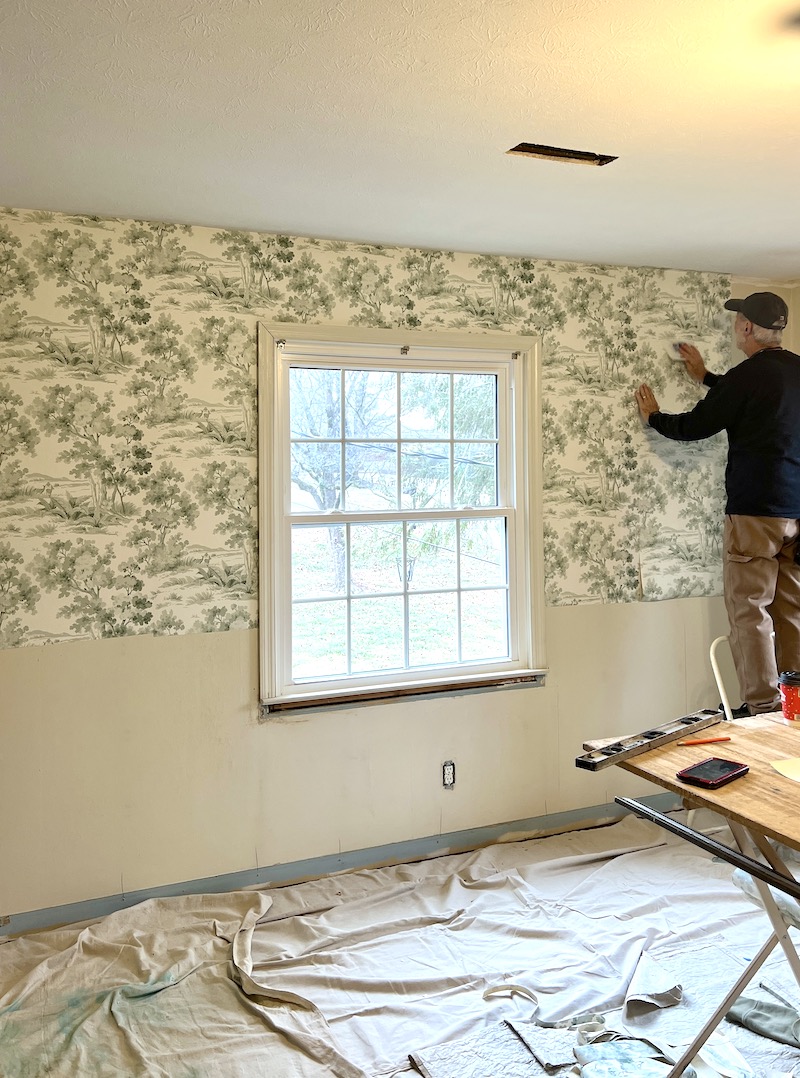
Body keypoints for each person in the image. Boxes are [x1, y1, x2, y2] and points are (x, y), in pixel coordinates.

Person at [634, 291, 800, 715]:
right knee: (792, 609)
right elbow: (760, 399)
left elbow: (696, 426)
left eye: (737, 321)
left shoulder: (747, 376)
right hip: (798, 514)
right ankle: (795, 702)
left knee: (750, 610)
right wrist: (705, 376)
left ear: (746, 328)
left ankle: (762, 706)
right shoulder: (793, 371)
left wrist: (654, 418)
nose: (734, 328)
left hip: (755, 514)